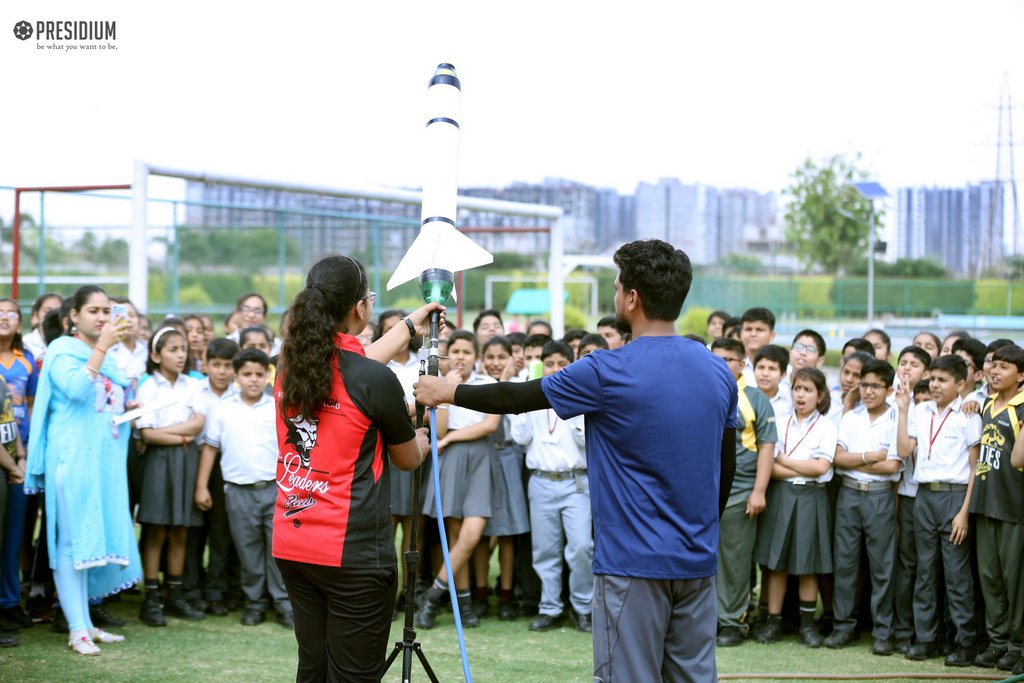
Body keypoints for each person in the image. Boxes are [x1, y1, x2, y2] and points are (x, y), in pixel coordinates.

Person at [416, 239, 738, 683]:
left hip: (632, 564)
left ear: (632, 298)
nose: (614, 292)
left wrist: (446, 392)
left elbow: (518, 397)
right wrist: (703, 530)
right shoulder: (717, 369)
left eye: (617, 284)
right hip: (697, 560)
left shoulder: (606, 369)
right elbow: (727, 463)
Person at [272, 255, 435, 683]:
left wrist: (412, 324)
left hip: (293, 541)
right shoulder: (373, 379)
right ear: (360, 308)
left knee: (315, 669)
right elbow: (405, 460)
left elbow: (356, 363)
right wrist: (420, 440)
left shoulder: (289, 364)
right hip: (353, 554)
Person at [24, 285, 142, 655]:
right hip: (72, 458)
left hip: (101, 462)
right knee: (69, 541)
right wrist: (103, 345)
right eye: (93, 310)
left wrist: (128, 407)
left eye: (107, 311)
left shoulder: (106, 360)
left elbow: (100, 405)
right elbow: (75, 390)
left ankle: (88, 624)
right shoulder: (61, 351)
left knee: (91, 537)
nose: (103, 318)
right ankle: (76, 629)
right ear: (72, 317)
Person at [196, 348, 292, 628]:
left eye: (259, 374)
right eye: (246, 374)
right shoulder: (222, 410)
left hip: (274, 489)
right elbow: (210, 450)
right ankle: (254, 603)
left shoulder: (278, 406)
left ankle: (284, 604)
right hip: (237, 492)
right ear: (236, 376)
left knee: (277, 551)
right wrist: (202, 486)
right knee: (247, 550)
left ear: (268, 376)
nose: (253, 379)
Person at [895, 354, 981, 666]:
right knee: (924, 572)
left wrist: (965, 512)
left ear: (960, 385)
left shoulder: (969, 414)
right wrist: (903, 410)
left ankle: (964, 642)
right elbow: (905, 451)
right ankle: (926, 639)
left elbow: (975, 469)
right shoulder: (920, 409)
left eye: (943, 380)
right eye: (933, 379)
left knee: (957, 574)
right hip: (923, 498)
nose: (935, 385)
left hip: (954, 498)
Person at [416, 330, 499, 630]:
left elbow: (489, 425)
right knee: (454, 536)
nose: (461, 357)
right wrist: (446, 389)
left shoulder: (488, 383)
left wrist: (451, 441)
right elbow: (439, 431)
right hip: (450, 461)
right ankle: (463, 604)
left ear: (476, 357)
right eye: (457, 351)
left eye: (467, 351)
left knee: (472, 535)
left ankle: (433, 594)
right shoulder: (443, 384)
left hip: (478, 458)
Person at [510, 339, 591, 632]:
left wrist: (573, 406)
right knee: (545, 551)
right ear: (541, 366)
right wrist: (523, 399)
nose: (555, 370)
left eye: (562, 364)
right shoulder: (533, 394)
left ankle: (582, 607)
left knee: (582, 546)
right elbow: (519, 438)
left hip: (575, 482)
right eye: (549, 364)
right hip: (541, 481)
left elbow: (585, 440)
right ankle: (550, 607)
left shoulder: (582, 394)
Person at [753, 368, 836, 648]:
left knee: (808, 564)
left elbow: (821, 467)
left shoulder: (827, 426)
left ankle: (808, 626)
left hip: (813, 498)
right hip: (782, 496)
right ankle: (773, 622)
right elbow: (770, 469)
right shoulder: (780, 422)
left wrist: (785, 461)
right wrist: (798, 467)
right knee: (776, 563)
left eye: (808, 390)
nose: (801, 395)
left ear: (820, 395)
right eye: (797, 388)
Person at [825, 359, 902, 655]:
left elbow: (893, 464)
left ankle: (883, 631)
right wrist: (871, 456)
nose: (868, 391)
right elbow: (837, 458)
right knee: (845, 562)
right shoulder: (850, 417)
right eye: (864, 384)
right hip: (848, 494)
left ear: (889, 389)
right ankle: (843, 627)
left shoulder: (896, 419)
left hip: (880, 496)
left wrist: (857, 459)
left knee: (882, 565)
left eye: (876, 386)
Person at [135, 326, 207, 626]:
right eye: (172, 349)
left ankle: (174, 594)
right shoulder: (148, 387)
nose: (181, 355)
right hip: (158, 462)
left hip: (187, 462)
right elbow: (146, 435)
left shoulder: (192, 385)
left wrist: (162, 432)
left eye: (183, 349)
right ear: (155, 354)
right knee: (157, 529)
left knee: (181, 529)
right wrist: (180, 435)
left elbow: (198, 424)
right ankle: (151, 597)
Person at [711, 338, 777, 648]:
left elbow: (767, 446)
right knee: (703, 558)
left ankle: (733, 622)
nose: (722, 364)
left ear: (742, 364)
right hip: (702, 492)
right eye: (716, 358)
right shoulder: (700, 392)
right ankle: (707, 619)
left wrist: (759, 491)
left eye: (728, 359)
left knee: (735, 559)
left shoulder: (754, 398)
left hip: (740, 492)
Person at [968, 344, 1024, 671]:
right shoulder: (986, 402)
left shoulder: (1021, 406)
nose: (995, 371)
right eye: (994, 365)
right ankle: (998, 642)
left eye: (1004, 367)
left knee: (1014, 578)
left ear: (1021, 376)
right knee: (990, 576)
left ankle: (1018, 645)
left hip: (1014, 504)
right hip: (985, 501)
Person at [182, 337, 241, 616]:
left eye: (228, 366)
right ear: (204, 365)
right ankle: (190, 588)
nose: (221, 372)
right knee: (193, 531)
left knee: (220, 532)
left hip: (225, 466)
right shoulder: (194, 390)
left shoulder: (240, 393)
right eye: (215, 365)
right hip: (193, 461)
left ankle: (216, 591)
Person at [477, 336, 530, 621]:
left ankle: (507, 594)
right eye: (490, 357)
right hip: (483, 456)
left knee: (508, 531)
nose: (496, 363)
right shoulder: (476, 384)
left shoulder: (521, 382)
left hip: (510, 456)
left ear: (512, 357)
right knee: (484, 532)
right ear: (482, 359)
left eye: (502, 357)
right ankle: (481, 593)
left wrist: (508, 381)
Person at [0, 298, 37, 630]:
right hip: (4, 460)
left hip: (18, 453)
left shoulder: (27, 362)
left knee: (13, 536)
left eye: (11, 313)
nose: (4, 317)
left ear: (21, 324)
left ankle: (10, 603)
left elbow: (28, 408)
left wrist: (22, 457)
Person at [0, 369, 26, 647]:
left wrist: (20, 457)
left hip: (9, 466)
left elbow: (10, 423)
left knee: (7, 542)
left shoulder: (1, 379)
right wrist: (13, 467)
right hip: (4, 468)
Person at [753, 344, 791, 420]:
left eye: (772, 369)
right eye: (761, 367)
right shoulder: (743, 399)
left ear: (783, 375)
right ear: (754, 370)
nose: (765, 374)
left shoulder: (790, 402)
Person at [739, 307, 776, 385]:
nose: (753, 334)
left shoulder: (787, 372)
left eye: (760, 330)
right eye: (748, 329)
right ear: (742, 334)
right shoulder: (736, 370)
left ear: (772, 335)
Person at [22, 293, 62, 360]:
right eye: (48, 311)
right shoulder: (25, 343)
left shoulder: (68, 343)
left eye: (58, 311)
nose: (52, 315)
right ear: (35, 315)